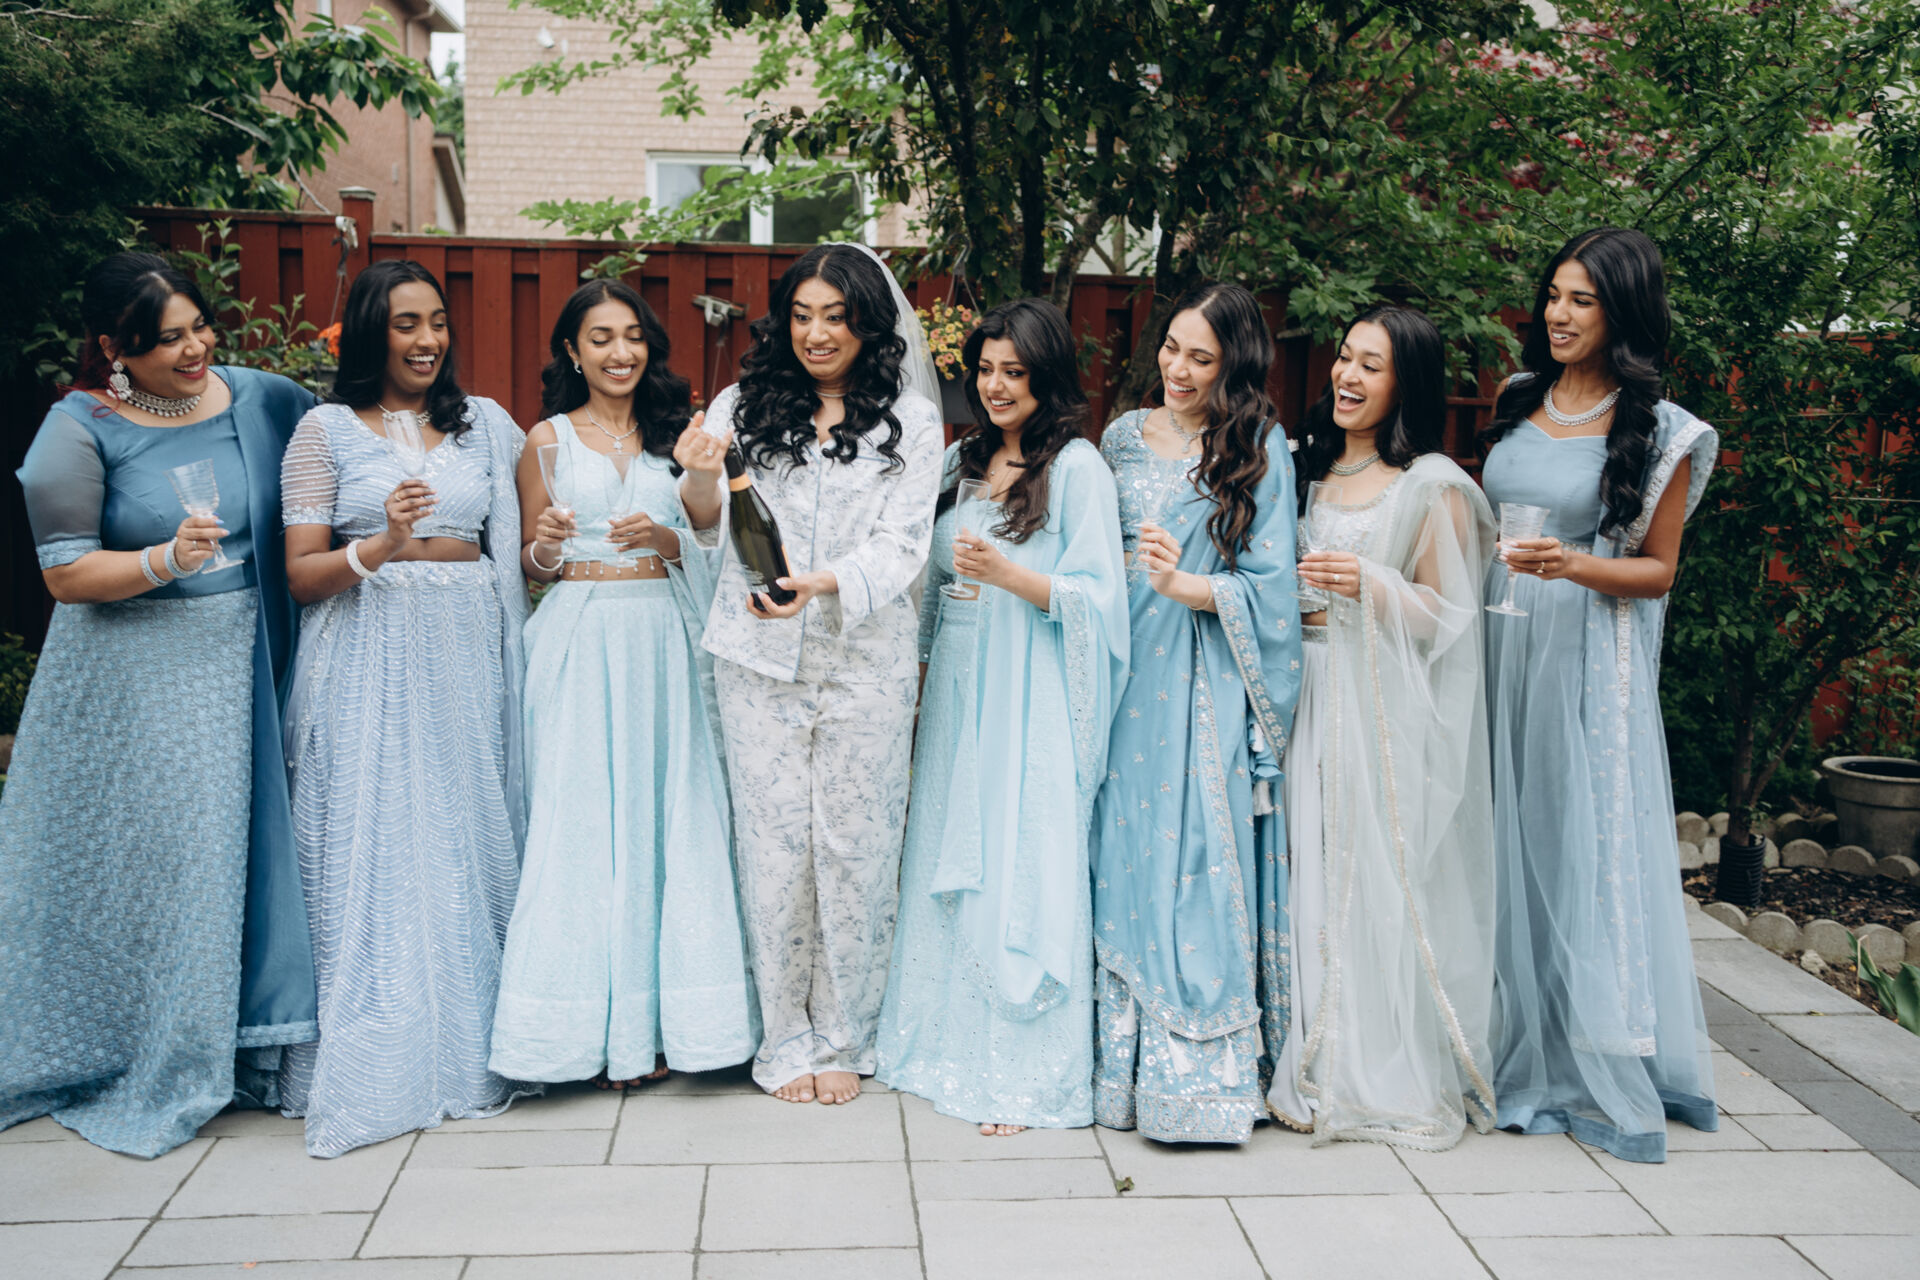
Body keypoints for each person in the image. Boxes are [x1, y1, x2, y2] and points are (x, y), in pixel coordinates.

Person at [0, 252, 318, 1158]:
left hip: (250, 656)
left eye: (199, 326)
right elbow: (65, 575)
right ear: (115, 348)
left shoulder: (266, 399)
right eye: (166, 338)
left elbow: (340, 463)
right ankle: (152, 1048)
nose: (193, 349)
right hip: (139, 676)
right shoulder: (78, 428)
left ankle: (254, 1046)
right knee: (171, 866)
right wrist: (163, 561)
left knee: (247, 855)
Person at [277, 260, 533, 1156]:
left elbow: (523, 540)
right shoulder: (323, 432)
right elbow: (302, 575)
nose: (427, 341)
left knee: (458, 829)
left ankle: (477, 1037)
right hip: (363, 649)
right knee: (372, 832)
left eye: (437, 323)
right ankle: (377, 1040)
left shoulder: (484, 425)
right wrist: (381, 543)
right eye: (405, 324)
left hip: (462, 648)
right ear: (368, 332)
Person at [678, 242, 943, 1106]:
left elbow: (904, 544)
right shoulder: (740, 405)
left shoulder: (913, 420)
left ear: (869, 323)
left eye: (835, 316)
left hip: (867, 662)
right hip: (758, 660)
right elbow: (707, 523)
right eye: (801, 315)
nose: (816, 333)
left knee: (858, 845)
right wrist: (697, 475)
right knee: (775, 847)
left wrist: (821, 584)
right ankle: (784, 1034)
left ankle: (846, 1032)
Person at [1481, 226, 1719, 1162]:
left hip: (1578, 659)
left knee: (1569, 843)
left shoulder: (1665, 431)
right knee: (1496, 838)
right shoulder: (1517, 395)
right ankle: (1500, 1029)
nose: (1559, 313)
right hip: (1494, 639)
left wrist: (1573, 565)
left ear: (1621, 312)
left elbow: (1659, 571)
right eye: (1554, 294)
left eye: (1582, 300)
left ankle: (1577, 1058)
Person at [489, 281, 756, 1090]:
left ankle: (679, 1028)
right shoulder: (544, 441)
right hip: (580, 636)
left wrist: (666, 537)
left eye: (633, 335)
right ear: (573, 351)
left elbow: (711, 537)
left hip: (664, 637)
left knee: (672, 816)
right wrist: (545, 542)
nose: (620, 352)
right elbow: (534, 568)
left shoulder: (681, 434)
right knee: (582, 821)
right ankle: (581, 1033)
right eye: (601, 337)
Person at [877, 299, 1128, 1134]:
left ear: (1046, 376)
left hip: (1030, 688)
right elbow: (929, 591)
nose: (995, 386)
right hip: (957, 681)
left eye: (1014, 372)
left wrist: (1011, 575)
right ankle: (941, 1045)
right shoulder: (963, 460)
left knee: (1018, 854)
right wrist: (917, 679)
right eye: (985, 370)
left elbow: (1101, 599)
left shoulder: (1079, 468)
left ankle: (1018, 1068)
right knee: (950, 844)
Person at [1264, 305, 1498, 1151]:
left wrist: (1370, 580)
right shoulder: (1307, 467)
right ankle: (1298, 1043)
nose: (1348, 376)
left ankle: (1362, 1065)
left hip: (1369, 699)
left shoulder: (1431, 485)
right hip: (1301, 689)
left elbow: (1449, 617)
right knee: (1302, 863)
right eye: (1345, 358)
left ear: (1406, 383)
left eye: (1372, 365)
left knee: (1362, 871)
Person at [1088, 281, 1302, 1144]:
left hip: (1202, 680)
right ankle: (1119, 1069)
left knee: (1194, 855)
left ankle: (1198, 1080)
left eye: (1200, 358)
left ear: (1233, 366)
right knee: (1123, 849)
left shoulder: (1257, 447)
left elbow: (1274, 589)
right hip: (1119, 675)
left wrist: (1188, 586)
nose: (1178, 368)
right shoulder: (1119, 438)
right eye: (1171, 348)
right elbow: (1089, 555)